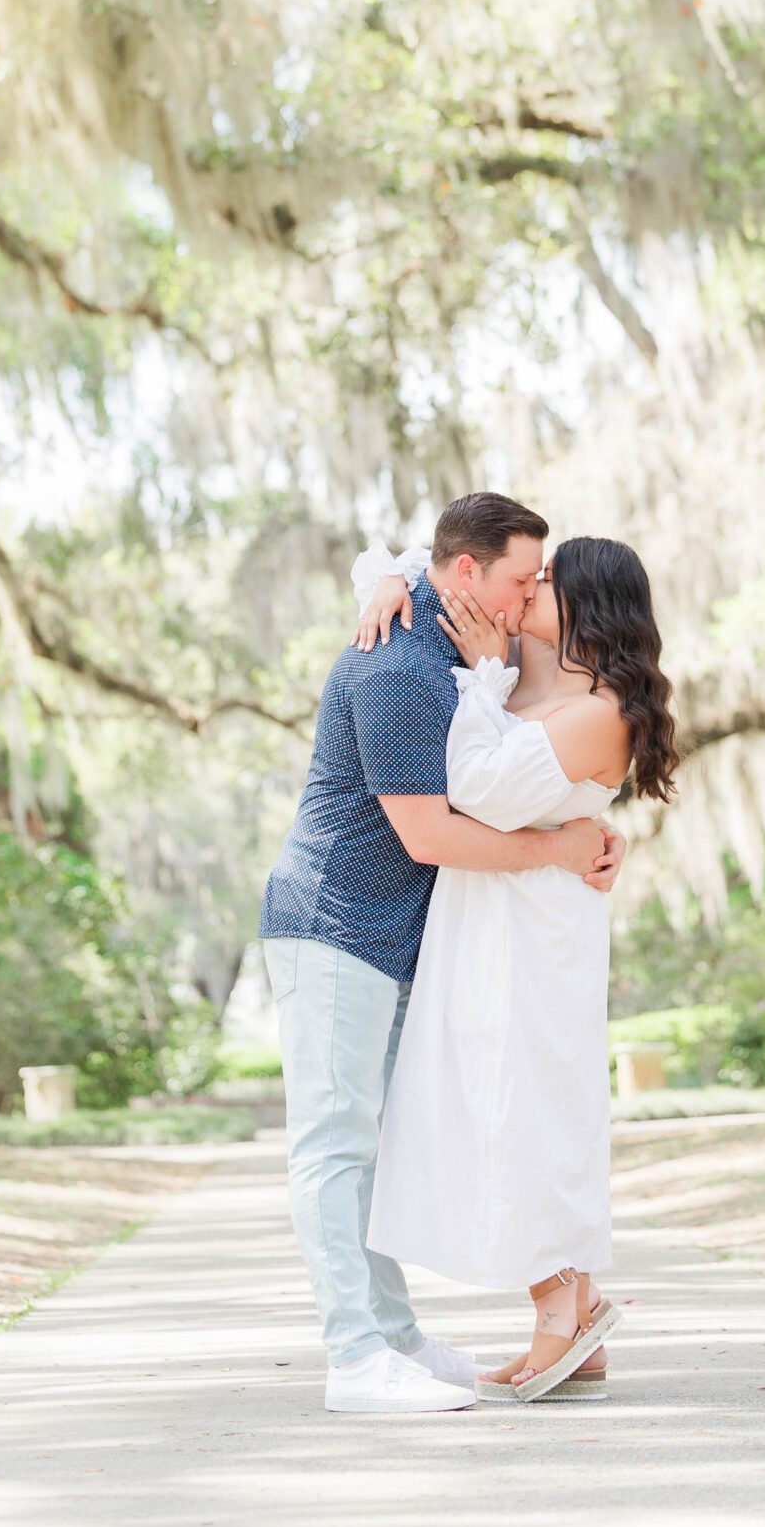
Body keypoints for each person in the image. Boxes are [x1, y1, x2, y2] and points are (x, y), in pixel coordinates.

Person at [258, 492, 626, 1415]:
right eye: (519, 578)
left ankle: (394, 1338)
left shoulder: (455, 647)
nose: (529, 594)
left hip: (393, 936)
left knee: (369, 1145)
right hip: (336, 921)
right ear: (466, 573)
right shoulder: (399, 667)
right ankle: (353, 1360)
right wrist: (559, 847)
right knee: (335, 1145)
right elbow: (428, 836)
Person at [356, 535, 679, 1400]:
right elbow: (419, 551)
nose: (527, 588)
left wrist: (486, 675)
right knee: (502, 1103)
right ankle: (578, 1306)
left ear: (584, 603)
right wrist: (387, 579)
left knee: (527, 1105)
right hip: (486, 913)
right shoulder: (539, 670)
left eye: (545, 580)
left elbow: (479, 787)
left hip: (534, 930)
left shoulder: (600, 707)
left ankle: (557, 1315)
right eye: (525, 575)